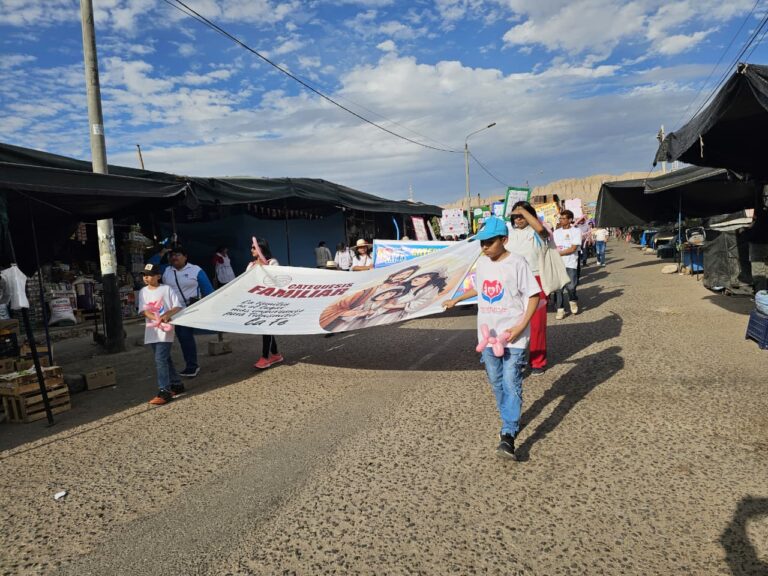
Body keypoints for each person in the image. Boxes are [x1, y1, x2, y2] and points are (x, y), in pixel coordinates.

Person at [443, 216, 540, 460]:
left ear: (503, 240)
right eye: (481, 243)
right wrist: (456, 299)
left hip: (512, 337)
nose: (484, 247)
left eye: (489, 242)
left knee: (511, 381)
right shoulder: (483, 263)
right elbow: (480, 286)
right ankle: (508, 416)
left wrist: (520, 327)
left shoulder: (518, 263)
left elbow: (534, 296)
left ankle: (508, 434)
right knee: (496, 381)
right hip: (487, 337)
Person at [153, 246, 214, 377]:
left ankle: (192, 366)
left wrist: (208, 307)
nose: (174, 257)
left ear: (185, 257)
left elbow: (208, 291)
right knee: (177, 338)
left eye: (178, 254)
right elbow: (150, 266)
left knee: (185, 336)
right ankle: (175, 367)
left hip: (189, 309)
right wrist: (162, 253)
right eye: (172, 255)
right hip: (172, 310)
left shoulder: (195, 270)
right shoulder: (165, 270)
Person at [506, 201, 549, 375]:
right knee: (514, 322)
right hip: (512, 281)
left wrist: (524, 210)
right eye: (515, 215)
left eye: (522, 215)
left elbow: (541, 230)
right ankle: (518, 358)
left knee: (537, 324)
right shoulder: (507, 233)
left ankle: (538, 361)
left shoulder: (538, 231)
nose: (518, 219)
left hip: (535, 279)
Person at [137, 263, 184, 405]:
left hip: (165, 329)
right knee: (165, 358)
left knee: (160, 359)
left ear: (158, 276)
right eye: (144, 275)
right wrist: (155, 318)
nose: (146, 278)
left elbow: (177, 306)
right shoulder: (143, 292)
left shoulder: (166, 289)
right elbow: (143, 310)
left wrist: (166, 315)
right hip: (152, 330)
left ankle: (164, 390)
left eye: (150, 275)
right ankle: (176, 384)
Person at [247, 237, 284, 369]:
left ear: (261, 248)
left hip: (271, 301)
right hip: (258, 301)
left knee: (266, 328)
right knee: (266, 327)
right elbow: (246, 281)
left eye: (254, 247)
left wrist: (264, 267)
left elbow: (278, 278)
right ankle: (275, 354)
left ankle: (265, 358)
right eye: (251, 247)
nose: (251, 249)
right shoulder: (251, 265)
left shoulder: (272, 262)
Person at [552, 210, 582, 319]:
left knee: (571, 286)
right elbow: (552, 247)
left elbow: (573, 248)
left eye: (563, 218)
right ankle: (560, 310)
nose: (561, 220)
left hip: (571, 262)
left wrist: (560, 253)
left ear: (570, 220)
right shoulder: (556, 232)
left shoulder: (576, 231)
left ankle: (573, 300)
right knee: (559, 288)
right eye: (560, 218)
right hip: (558, 263)